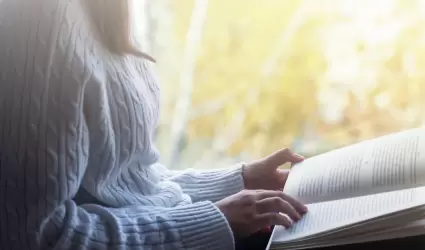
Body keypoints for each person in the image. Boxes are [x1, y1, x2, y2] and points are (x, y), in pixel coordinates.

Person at [0, 0, 308, 249]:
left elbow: (125, 183)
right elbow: (38, 236)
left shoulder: (105, 11)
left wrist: (241, 180)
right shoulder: (40, 18)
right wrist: (216, 221)